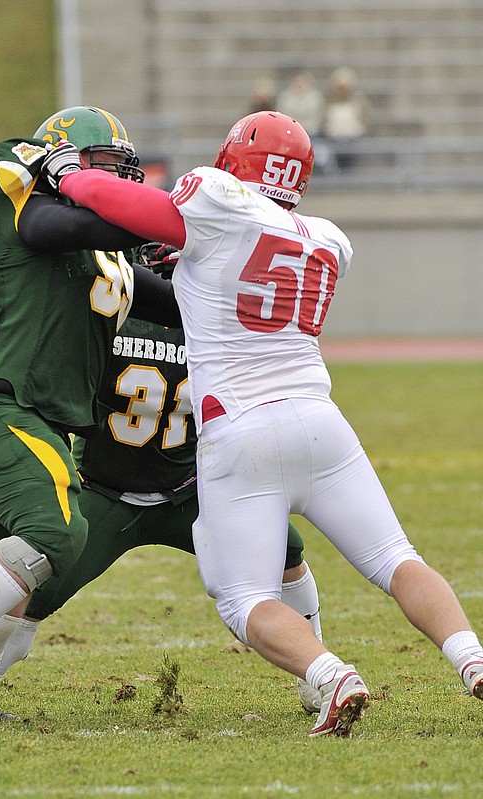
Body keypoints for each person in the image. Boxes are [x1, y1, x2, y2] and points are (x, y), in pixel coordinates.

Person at [41, 110, 483, 737]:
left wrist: (67, 174)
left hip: (242, 431)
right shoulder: (328, 238)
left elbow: (111, 196)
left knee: (244, 597)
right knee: (396, 558)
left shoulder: (216, 201)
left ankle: (330, 676)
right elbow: (241, 256)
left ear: (233, 162)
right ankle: (472, 659)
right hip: (322, 421)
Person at [0, 106, 182, 708]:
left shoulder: (111, 260)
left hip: (44, 421)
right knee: (58, 533)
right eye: (101, 171)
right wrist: (142, 222)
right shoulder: (20, 187)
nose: (115, 186)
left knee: (23, 593)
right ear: (62, 164)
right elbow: (54, 226)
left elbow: (184, 309)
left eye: (120, 174)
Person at [0, 311, 326, 721]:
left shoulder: (204, 321)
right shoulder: (112, 319)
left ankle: (313, 672)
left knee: (286, 550)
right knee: (32, 594)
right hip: (106, 494)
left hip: (187, 493)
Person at [323, 66, 369, 172]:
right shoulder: (328, 101)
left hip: (352, 136)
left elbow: (364, 119)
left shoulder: (358, 100)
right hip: (333, 137)